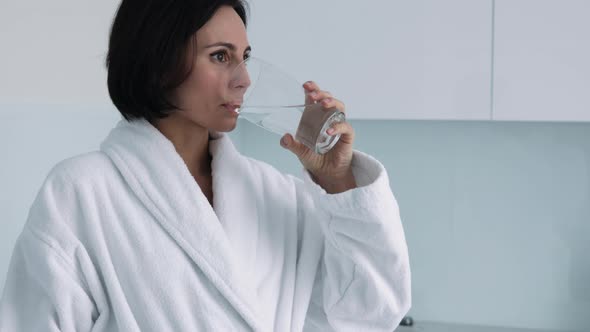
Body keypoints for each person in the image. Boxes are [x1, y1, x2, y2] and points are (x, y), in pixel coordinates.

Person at [0, 0, 411, 331]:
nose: (245, 79)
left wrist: (337, 181)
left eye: (245, 56)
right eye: (220, 56)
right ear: (160, 65)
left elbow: (364, 317)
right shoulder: (81, 192)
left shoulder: (276, 195)